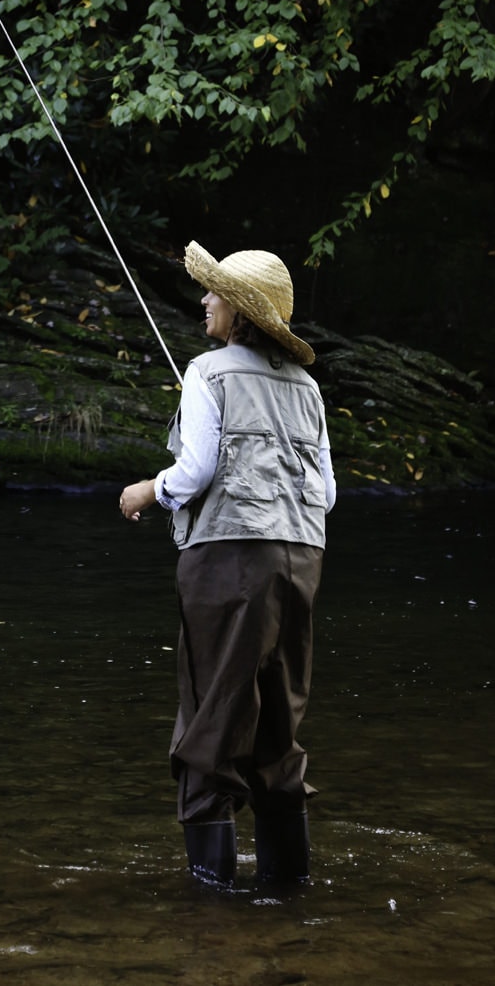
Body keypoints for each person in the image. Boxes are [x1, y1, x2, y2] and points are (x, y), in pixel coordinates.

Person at [119, 242, 335, 891]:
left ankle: (211, 900)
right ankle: (286, 890)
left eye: (214, 293)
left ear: (239, 311)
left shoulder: (208, 371)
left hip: (229, 561)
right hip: (303, 560)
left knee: (212, 713)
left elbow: (198, 470)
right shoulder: (307, 385)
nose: (204, 300)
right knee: (276, 719)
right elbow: (325, 493)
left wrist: (147, 490)